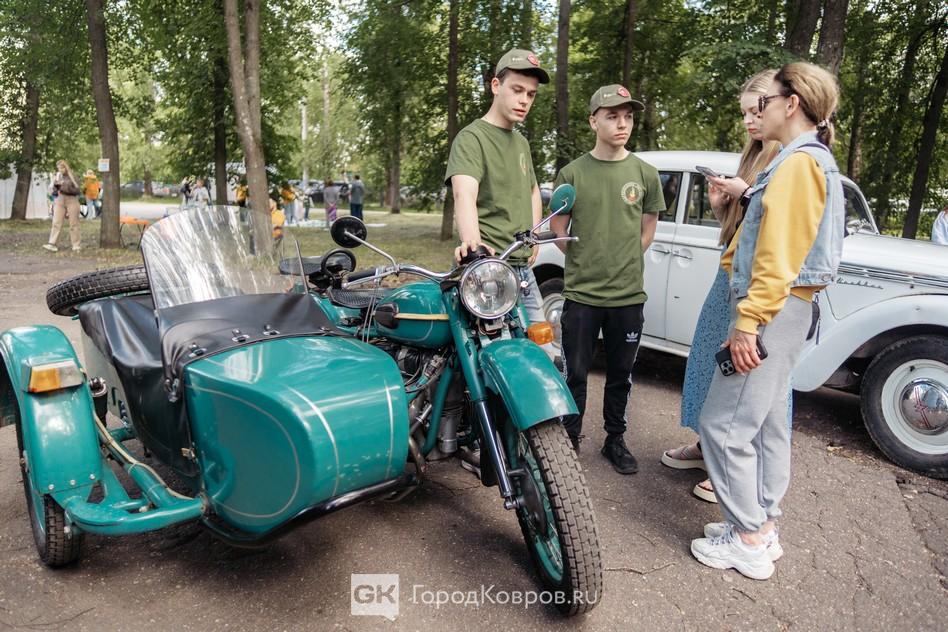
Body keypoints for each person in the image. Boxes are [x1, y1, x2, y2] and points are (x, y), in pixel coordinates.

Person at [690, 62, 845, 581]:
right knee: (767, 421)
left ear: (791, 103)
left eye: (765, 101)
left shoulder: (798, 165)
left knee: (722, 425)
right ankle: (762, 523)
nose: (758, 111)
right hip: (789, 309)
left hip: (772, 310)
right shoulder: (810, 160)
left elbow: (778, 256)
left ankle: (748, 538)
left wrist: (748, 322)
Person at [661, 70, 783, 502]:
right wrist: (721, 207)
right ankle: (706, 444)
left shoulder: (792, 161)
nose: (749, 121)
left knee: (748, 371)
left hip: (760, 284)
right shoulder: (753, 156)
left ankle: (733, 461)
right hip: (729, 276)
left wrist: (747, 193)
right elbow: (737, 233)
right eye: (745, 113)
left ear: (781, 105)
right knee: (709, 358)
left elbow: (780, 230)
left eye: (756, 111)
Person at [549, 85, 663, 474]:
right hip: (582, 295)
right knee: (576, 373)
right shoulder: (572, 174)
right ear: (593, 121)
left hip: (627, 297)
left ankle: (615, 439)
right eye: (612, 116)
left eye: (627, 116)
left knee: (620, 376)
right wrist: (587, 260)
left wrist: (623, 259)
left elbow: (648, 230)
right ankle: (570, 439)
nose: (622, 124)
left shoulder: (645, 174)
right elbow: (559, 230)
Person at [445, 48, 550, 326]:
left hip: (523, 272)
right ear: (495, 85)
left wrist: (535, 235)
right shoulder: (472, 138)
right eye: (517, 90)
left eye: (531, 94)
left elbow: (533, 190)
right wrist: (473, 246)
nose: (524, 100)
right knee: (489, 349)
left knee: (540, 347)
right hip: (488, 272)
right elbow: (464, 194)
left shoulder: (521, 143)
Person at [43, 160, 82, 252]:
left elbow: (77, 190)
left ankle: (76, 245)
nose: (60, 170)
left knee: (74, 223)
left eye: (62, 167)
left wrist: (64, 187)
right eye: (59, 168)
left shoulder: (73, 176)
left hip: (72, 200)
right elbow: (55, 190)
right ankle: (52, 244)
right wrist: (54, 187)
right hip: (60, 199)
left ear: (66, 167)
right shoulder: (58, 176)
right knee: (56, 222)